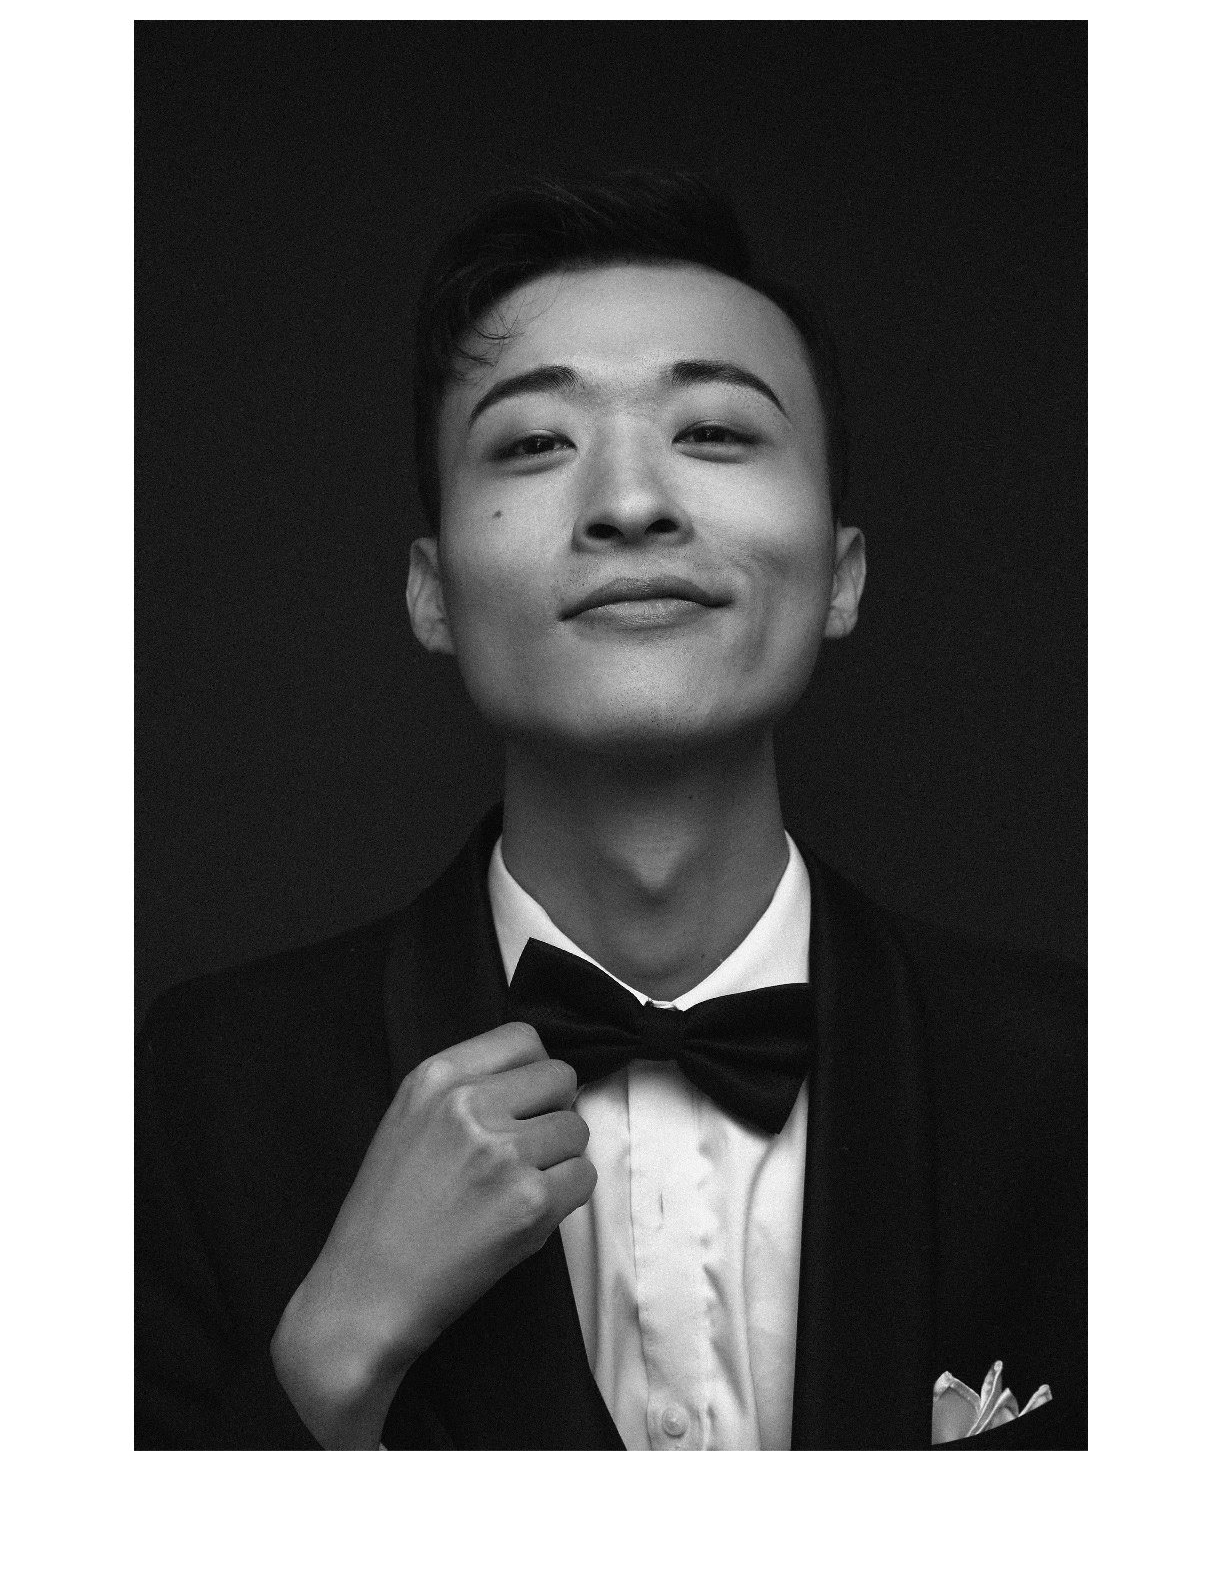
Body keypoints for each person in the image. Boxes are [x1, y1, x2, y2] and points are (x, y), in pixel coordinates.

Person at [135, 173, 1085, 1451]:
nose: (631, 502)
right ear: (431, 592)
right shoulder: (203, 1095)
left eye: (716, 432)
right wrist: (336, 1346)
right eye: (535, 443)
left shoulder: (1086, 1079)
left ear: (842, 574)